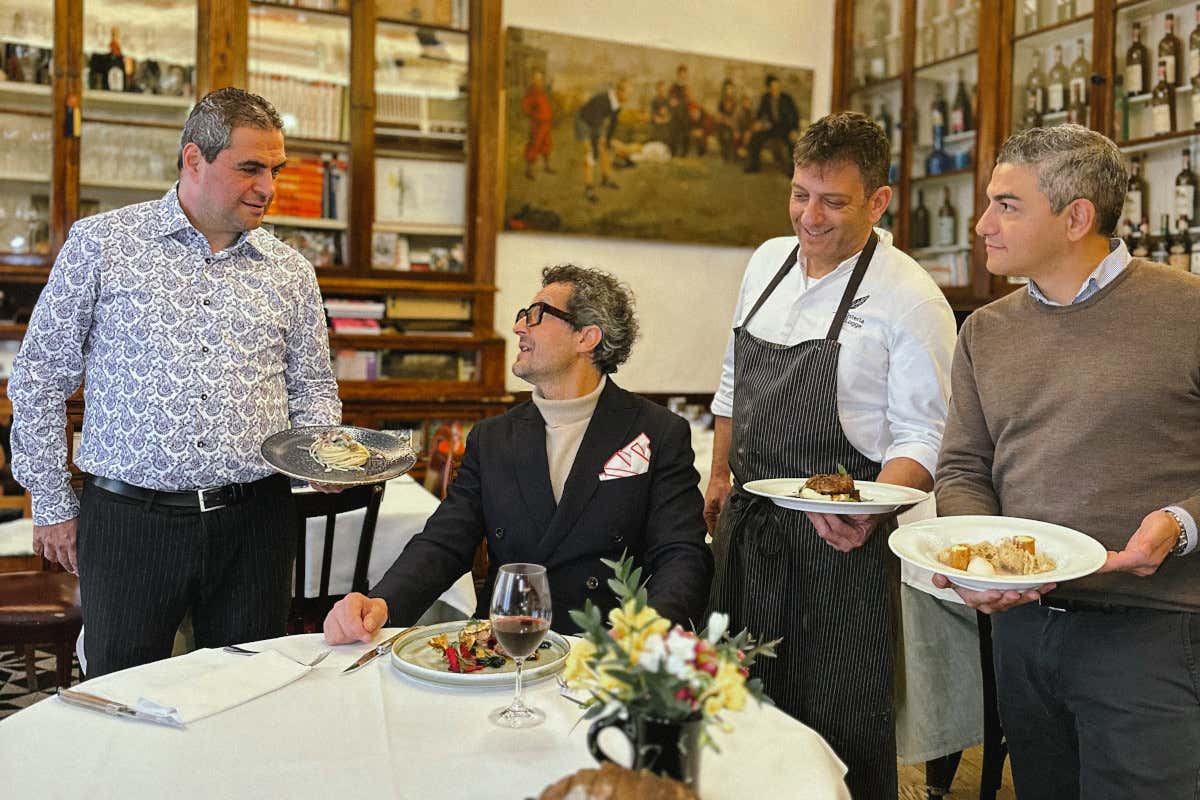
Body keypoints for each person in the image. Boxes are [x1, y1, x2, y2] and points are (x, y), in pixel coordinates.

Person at [7, 87, 341, 678]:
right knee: (121, 699)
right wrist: (52, 502)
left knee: (246, 694)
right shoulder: (102, 244)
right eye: (250, 168)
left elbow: (312, 387)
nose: (268, 187)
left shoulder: (291, 271)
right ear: (194, 159)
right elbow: (38, 378)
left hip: (255, 524)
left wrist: (325, 454)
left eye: (275, 169)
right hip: (131, 524)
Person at [934, 124, 1200, 798]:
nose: (983, 223)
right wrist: (976, 558)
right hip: (1021, 633)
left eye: (1007, 204)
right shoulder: (986, 331)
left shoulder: (1189, 310)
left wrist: (1181, 521)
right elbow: (963, 467)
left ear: (1077, 216)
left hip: (1154, 632)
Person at [706, 110, 956, 799]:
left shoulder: (911, 299)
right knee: (736, 714)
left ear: (879, 202)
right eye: (800, 195)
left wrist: (870, 513)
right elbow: (733, 377)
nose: (809, 217)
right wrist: (719, 472)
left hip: (841, 544)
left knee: (838, 725)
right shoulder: (765, 262)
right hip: (749, 531)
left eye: (833, 202)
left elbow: (924, 436)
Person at [324, 265, 713, 644]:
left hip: (604, 654)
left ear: (587, 337)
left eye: (536, 316)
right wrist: (383, 601)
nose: (518, 327)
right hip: (505, 646)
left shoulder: (657, 432)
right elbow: (445, 541)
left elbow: (682, 555)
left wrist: (645, 632)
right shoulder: (493, 437)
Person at [575, 79, 629, 204]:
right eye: (627, 94)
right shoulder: (603, 99)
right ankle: (589, 189)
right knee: (589, 153)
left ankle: (606, 180)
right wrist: (598, 141)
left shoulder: (617, 104)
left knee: (604, 149)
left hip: (595, 124)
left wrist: (608, 141)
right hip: (584, 122)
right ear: (619, 91)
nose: (628, 97)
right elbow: (595, 122)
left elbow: (613, 124)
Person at [744, 74, 800, 174]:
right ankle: (753, 165)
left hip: (786, 128)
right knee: (756, 137)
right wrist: (757, 124)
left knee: (791, 142)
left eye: (777, 88)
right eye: (773, 88)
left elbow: (795, 115)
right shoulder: (765, 98)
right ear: (769, 88)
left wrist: (794, 129)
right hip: (772, 128)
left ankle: (793, 171)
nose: (776, 90)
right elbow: (760, 114)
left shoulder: (786, 98)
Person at [521, 69, 554, 180]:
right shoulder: (531, 92)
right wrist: (535, 116)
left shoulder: (541, 91)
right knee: (534, 146)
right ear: (533, 80)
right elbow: (526, 107)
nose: (539, 81)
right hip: (538, 124)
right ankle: (528, 171)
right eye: (537, 79)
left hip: (546, 123)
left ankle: (547, 166)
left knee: (547, 144)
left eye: (540, 79)